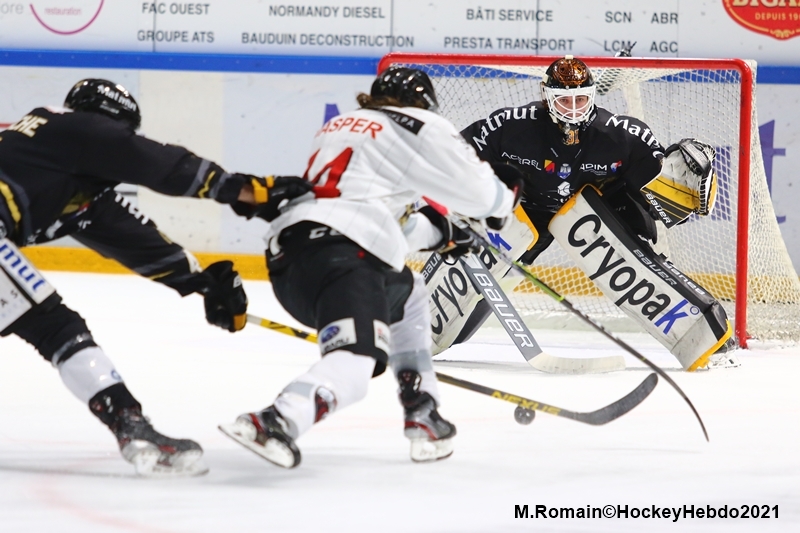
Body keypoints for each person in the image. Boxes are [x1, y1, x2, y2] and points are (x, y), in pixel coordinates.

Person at [0, 79, 311, 476]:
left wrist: (203, 284)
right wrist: (241, 190)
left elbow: (129, 236)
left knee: (46, 320)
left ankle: (132, 426)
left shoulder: (59, 168)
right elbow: (154, 161)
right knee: (55, 326)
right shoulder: (71, 126)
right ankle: (133, 427)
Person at [219, 66, 519, 468]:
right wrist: (507, 200)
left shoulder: (342, 125)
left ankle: (422, 409)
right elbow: (485, 196)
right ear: (424, 103)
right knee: (355, 370)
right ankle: (275, 420)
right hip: (345, 259)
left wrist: (440, 232)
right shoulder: (422, 124)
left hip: (295, 262)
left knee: (408, 291)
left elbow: (374, 215)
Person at [429, 55, 734, 371]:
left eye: (581, 99)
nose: (573, 108)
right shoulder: (510, 126)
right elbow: (457, 155)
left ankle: (705, 332)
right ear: (546, 95)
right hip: (526, 210)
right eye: (564, 100)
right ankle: (427, 326)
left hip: (599, 208)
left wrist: (681, 179)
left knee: (631, 262)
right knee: (472, 295)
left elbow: (662, 196)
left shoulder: (621, 135)